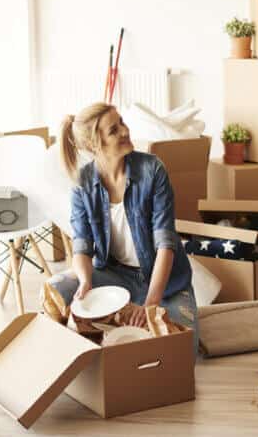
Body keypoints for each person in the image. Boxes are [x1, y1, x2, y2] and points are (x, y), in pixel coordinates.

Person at [46, 102, 199, 355]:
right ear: (94, 145)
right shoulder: (82, 184)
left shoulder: (152, 170)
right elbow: (82, 245)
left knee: (180, 351)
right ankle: (90, 346)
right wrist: (85, 282)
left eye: (122, 123)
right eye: (113, 130)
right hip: (115, 277)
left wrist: (149, 305)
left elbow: (166, 245)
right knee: (56, 289)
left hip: (166, 281)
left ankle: (123, 318)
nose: (125, 131)